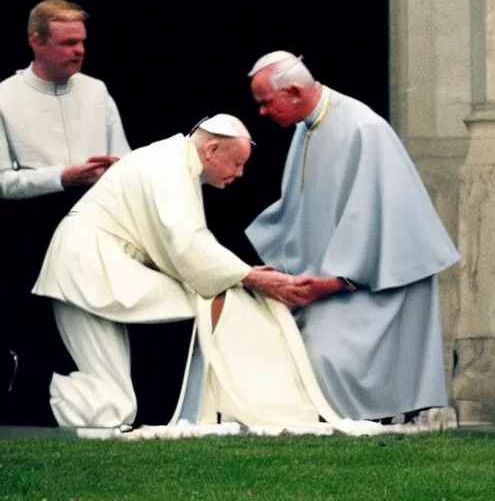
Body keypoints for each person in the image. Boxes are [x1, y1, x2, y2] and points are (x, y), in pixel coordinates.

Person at [32, 114, 362, 434]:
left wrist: (241, 273)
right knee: (209, 298)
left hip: (93, 265)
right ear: (212, 150)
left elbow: (182, 246)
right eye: (236, 163)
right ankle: (26, 387)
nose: (241, 173)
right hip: (90, 265)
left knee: (113, 403)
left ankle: (29, 390)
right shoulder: (170, 165)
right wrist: (250, 276)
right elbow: (187, 244)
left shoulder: (173, 160)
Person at [245, 51, 461, 424]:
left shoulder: (364, 129)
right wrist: (282, 271)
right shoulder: (307, 129)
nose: (262, 113)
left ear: (294, 91)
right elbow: (301, 211)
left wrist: (334, 281)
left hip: (369, 286)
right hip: (323, 281)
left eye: (266, 103)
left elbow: (380, 225)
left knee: (319, 355)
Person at [0, 0, 131, 425]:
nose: (78, 51)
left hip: (95, 222)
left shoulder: (97, 91)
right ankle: (34, 415)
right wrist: (62, 176)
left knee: (97, 322)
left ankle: (102, 408)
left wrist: (110, 172)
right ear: (36, 42)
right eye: (67, 42)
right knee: (35, 329)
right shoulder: (4, 96)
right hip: (31, 227)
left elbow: (126, 160)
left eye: (82, 43)